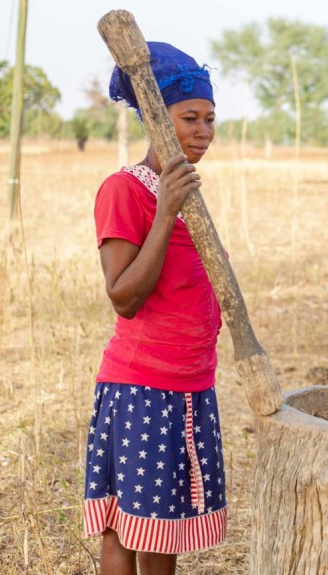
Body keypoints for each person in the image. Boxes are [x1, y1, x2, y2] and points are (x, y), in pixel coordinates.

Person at [82, 42, 225, 575]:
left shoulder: (188, 193)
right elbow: (123, 297)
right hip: (143, 385)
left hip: (189, 384)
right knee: (139, 530)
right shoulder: (127, 191)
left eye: (211, 118)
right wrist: (166, 210)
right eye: (189, 117)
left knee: (147, 524)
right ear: (156, 121)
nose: (204, 130)